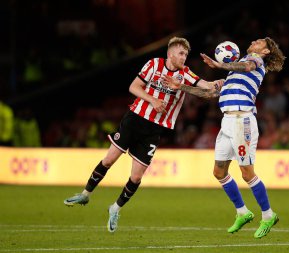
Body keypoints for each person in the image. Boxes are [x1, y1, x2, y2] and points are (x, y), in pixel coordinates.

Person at [64, 37, 223, 233]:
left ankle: (115, 208)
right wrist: (153, 100)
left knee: (136, 177)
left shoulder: (185, 74)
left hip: (154, 129)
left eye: (186, 54)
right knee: (108, 159)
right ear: (171, 53)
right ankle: (85, 194)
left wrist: (217, 82)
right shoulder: (153, 64)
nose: (184, 57)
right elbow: (133, 87)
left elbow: (204, 86)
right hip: (135, 119)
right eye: (181, 53)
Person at [163, 37, 285, 238]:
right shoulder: (234, 72)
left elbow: (246, 66)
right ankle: (242, 212)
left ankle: (268, 215)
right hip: (227, 121)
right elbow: (210, 93)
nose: (254, 41)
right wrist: (181, 88)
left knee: (247, 173)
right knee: (219, 172)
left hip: (242, 119)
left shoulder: (256, 62)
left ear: (265, 51)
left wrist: (220, 64)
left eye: (260, 42)